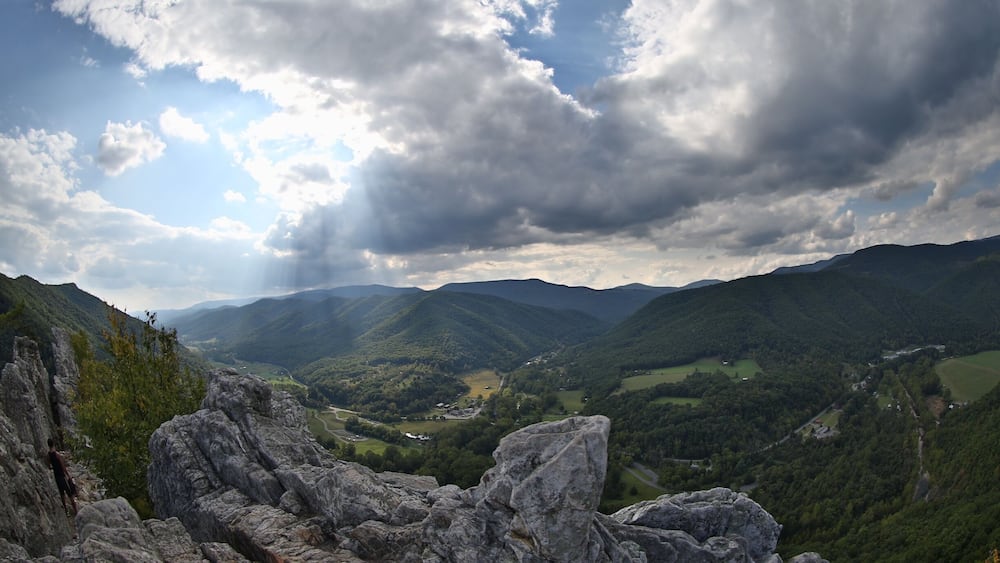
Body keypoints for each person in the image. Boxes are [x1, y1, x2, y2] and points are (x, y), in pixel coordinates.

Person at [47, 438, 77, 515]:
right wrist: (68, 475)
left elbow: (49, 465)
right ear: (54, 444)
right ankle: (75, 511)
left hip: (56, 477)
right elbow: (63, 467)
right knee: (69, 493)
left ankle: (66, 511)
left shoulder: (49, 455)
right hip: (62, 476)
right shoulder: (57, 455)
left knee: (62, 494)